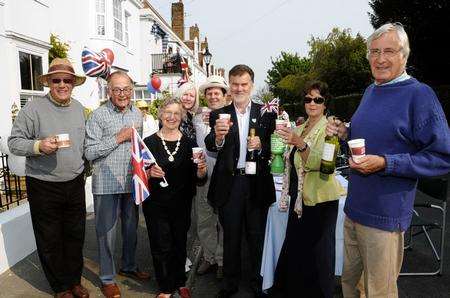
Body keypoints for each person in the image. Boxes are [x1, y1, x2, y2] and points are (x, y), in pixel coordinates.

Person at [326, 23, 450, 298]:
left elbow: (442, 156)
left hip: (384, 216)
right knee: (350, 284)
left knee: (379, 292)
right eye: (374, 51)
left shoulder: (419, 95)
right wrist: (346, 133)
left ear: (404, 56)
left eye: (389, 51)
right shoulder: (372, 90)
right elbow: (368, 141)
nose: (380, 59)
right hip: (354, 208)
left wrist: (386, 163)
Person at [8, 58, 89, 298]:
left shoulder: (78, 108)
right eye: (57, 80)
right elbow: (14, 143)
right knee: (50, 238)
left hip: (74, 182)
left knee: (75, 236)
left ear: (73, 83)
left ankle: (75, 281)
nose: (62, 84)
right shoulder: (32, 109)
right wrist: (38, 146)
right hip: (43, 184)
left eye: (67, 80)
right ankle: (61, 287)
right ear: (49, 83)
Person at [204, 65, 276, 298]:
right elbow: (210, 145)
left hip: (256, 183)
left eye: (244, 84)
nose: (239, 88)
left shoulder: (266, 113)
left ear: (251, 85)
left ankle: (258, 284)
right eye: (235, 84)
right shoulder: (219, 114)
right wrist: (218, 137)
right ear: (229, 86)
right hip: (230, 184)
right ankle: (229, 285)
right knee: (231, 236)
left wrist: (262, 147)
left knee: (256, 237)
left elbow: (276, 146)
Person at [272, 81, 346, 298]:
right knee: (297, 252)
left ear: (325, 104)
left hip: (321, 201)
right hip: (300, 200)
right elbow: (289, 159)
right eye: (308, 99)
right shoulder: (300, 127)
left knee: (319, 256)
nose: (312, 103)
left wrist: (300, 144)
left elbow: (323, 164)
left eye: (318, 99)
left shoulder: (330, 126)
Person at [85, 71, 149, 298]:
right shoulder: (98, 116)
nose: (122, 94)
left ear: (132, 90)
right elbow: (90, 152)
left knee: (131, 230)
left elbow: (138, 150)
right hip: (106, 184)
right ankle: (107, 278)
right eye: (117, 89)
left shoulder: (138, 115)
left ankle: (129, 266)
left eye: (126, 89)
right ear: (109, 91)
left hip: (131, 183)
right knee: (107, 235)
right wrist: (118, 138)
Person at [143, 98, 207, 298]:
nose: (172, 117)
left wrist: (202, 171)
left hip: (182, 203)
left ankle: (180, 282)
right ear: (160, 115)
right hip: (155, 204)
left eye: (176, 113)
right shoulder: (148, 143)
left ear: (181, 117)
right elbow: (137, 176)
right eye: (168, 113)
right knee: (161, 244)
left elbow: (198, 178)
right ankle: (165, 287)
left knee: (179, 242)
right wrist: (149, 173)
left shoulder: (190, 144)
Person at [193, 75, 229, 278]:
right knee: (204, 220)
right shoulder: (199, 117)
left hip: (225, 178)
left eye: (217, 92)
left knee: (224, 221)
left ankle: (223, 260)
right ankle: (209, 257)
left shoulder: (231, 116)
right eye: (209, 93)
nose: (213, 96)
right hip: (203, 175)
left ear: (225, 95)